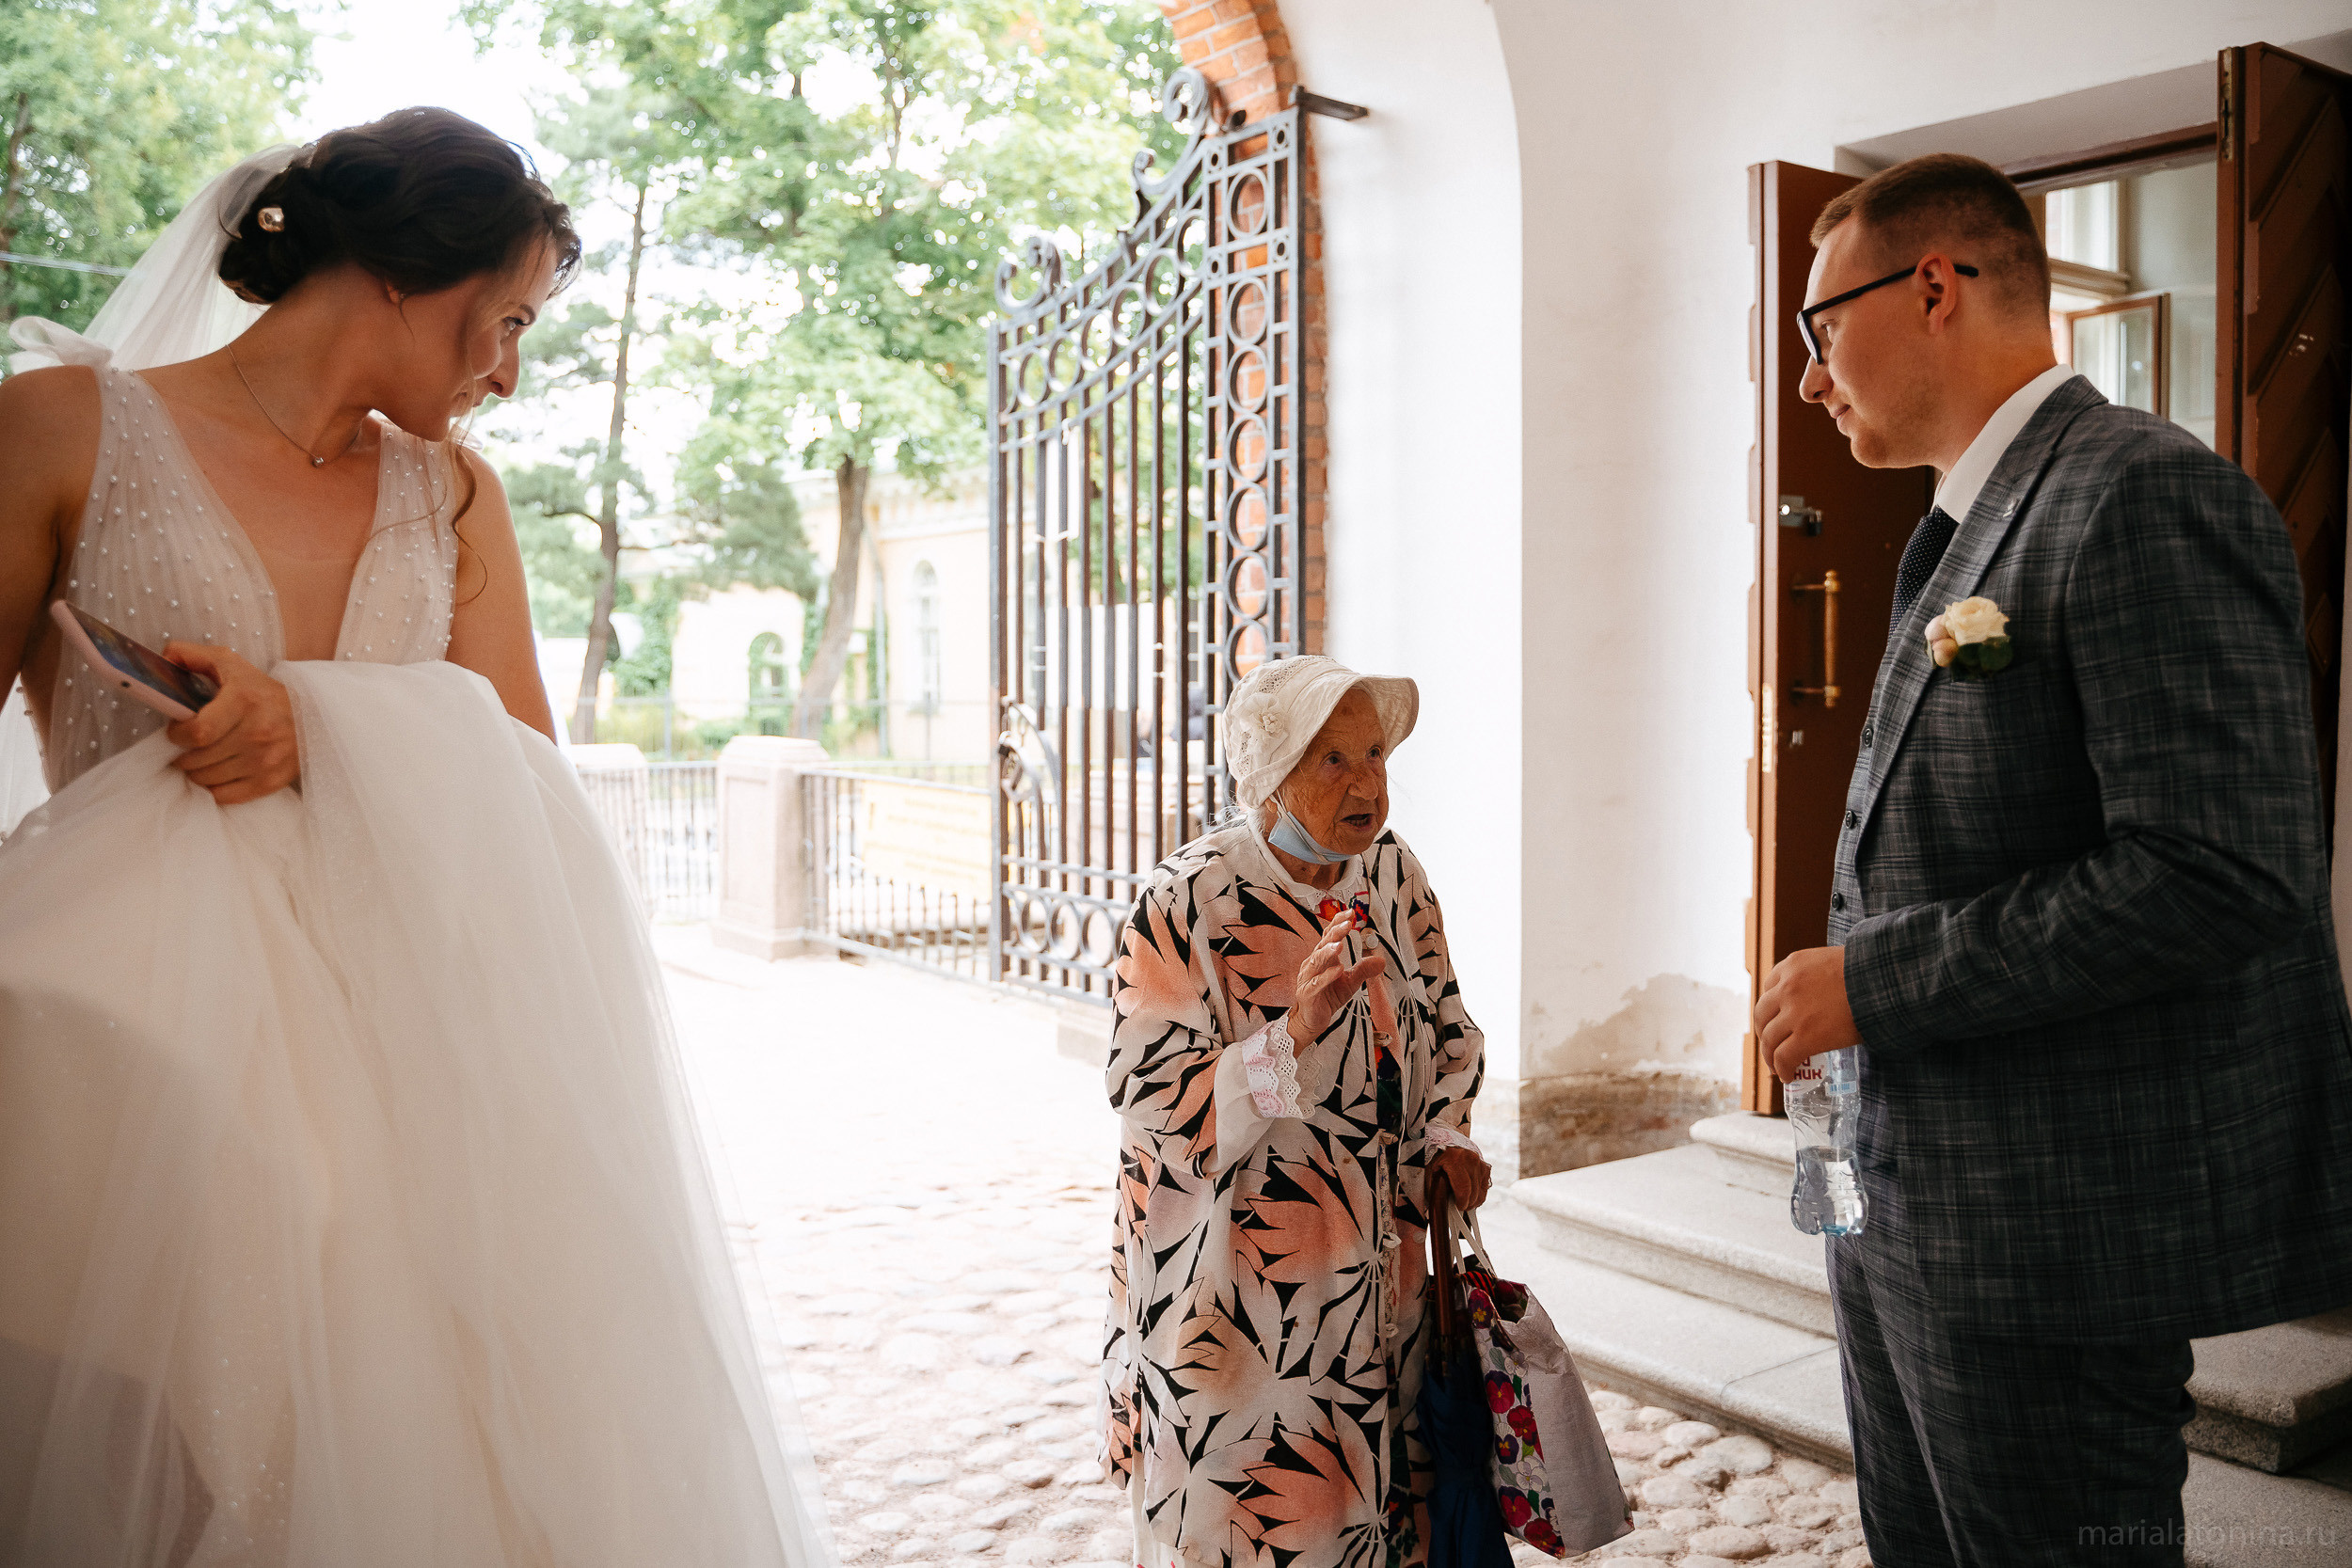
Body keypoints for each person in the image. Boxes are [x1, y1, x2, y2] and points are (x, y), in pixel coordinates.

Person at [0, 111, 834, 1564]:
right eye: (501, 318)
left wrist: (315, 724)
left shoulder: (452, 499)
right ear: (398, 269)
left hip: (419, 1085)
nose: (509, 370)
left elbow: (527, 787)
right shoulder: (62, 428)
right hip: (133, 1068)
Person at [1751, 151, 2352, 1566]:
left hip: (2050, 1237)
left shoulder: (2141, 494)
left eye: (1820, 327)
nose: (1809, 380)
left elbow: (2220, 867)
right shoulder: (1966, 520)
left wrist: (1872, 981)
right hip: (1910, 1201)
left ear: (1936, 287)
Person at [1101, 654, 1492, 1567]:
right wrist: (1292, 1033)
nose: (1367, 784)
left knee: (1379, 1509)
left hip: (1376, 1276)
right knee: (1255, 1522)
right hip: (1235, 1300)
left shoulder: (1391, 872)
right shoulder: (1185, 899)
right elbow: (1153, 1093)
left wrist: (1446, 1134)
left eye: (1375, 755)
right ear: (1269, 776)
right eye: (1332, 760)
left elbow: (1445, 1021)